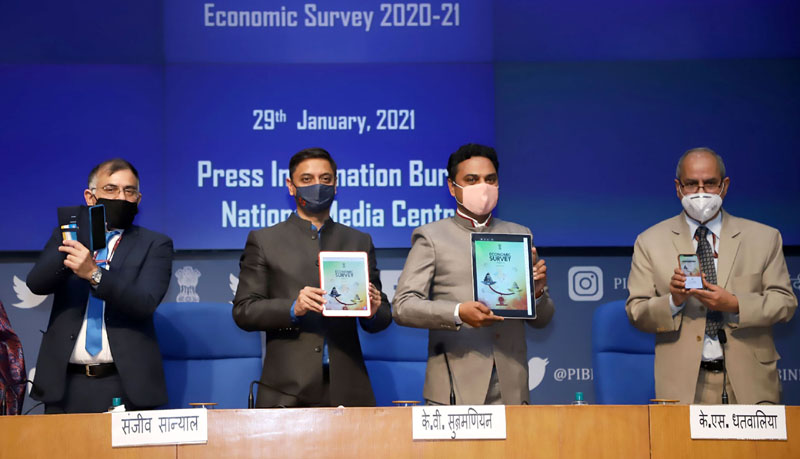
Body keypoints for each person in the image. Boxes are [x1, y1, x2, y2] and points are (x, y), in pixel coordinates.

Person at [626, 147, 797, 404]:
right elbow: (636, 311)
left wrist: (735, 304)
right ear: (678, 188)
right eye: (691, 184)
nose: (701, 192)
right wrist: (674, 301)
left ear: (724, 186)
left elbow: (785, 303)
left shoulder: (764, 238)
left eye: (710, 183)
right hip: (682, 385)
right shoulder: (649, 241)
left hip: (751, 381)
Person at [393, 144, 554, 405]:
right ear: (452, 186)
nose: (483, 187)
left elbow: (543, 320)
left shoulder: (519, 234)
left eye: (490, 179)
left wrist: (537, 293)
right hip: (454, 390)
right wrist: (458, 312)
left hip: (512, 389)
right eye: (472, 180)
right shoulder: (432, 237)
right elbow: (403, 306)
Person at [233, 147, 391, 407]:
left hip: (349, 388)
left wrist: (373, 311)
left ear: (336, 185)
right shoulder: (264, 240)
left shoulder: (359, 240)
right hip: (285, 390)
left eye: (325, 179)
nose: (317, 186)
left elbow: (382, 317)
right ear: (291, 186)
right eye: (306, 179)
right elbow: (244, 311)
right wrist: (293, 307)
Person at [27, 159, 173, 413]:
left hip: (125, 384)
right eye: (110, 189)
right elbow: (36, 283)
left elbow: (145, 302)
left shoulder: (155, 244)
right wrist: (78, 238)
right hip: (64, 385)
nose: (121, 197)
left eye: (129, 191)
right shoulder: (67, 236)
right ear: (90, 196)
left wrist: (94, 274)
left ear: (138, 199)